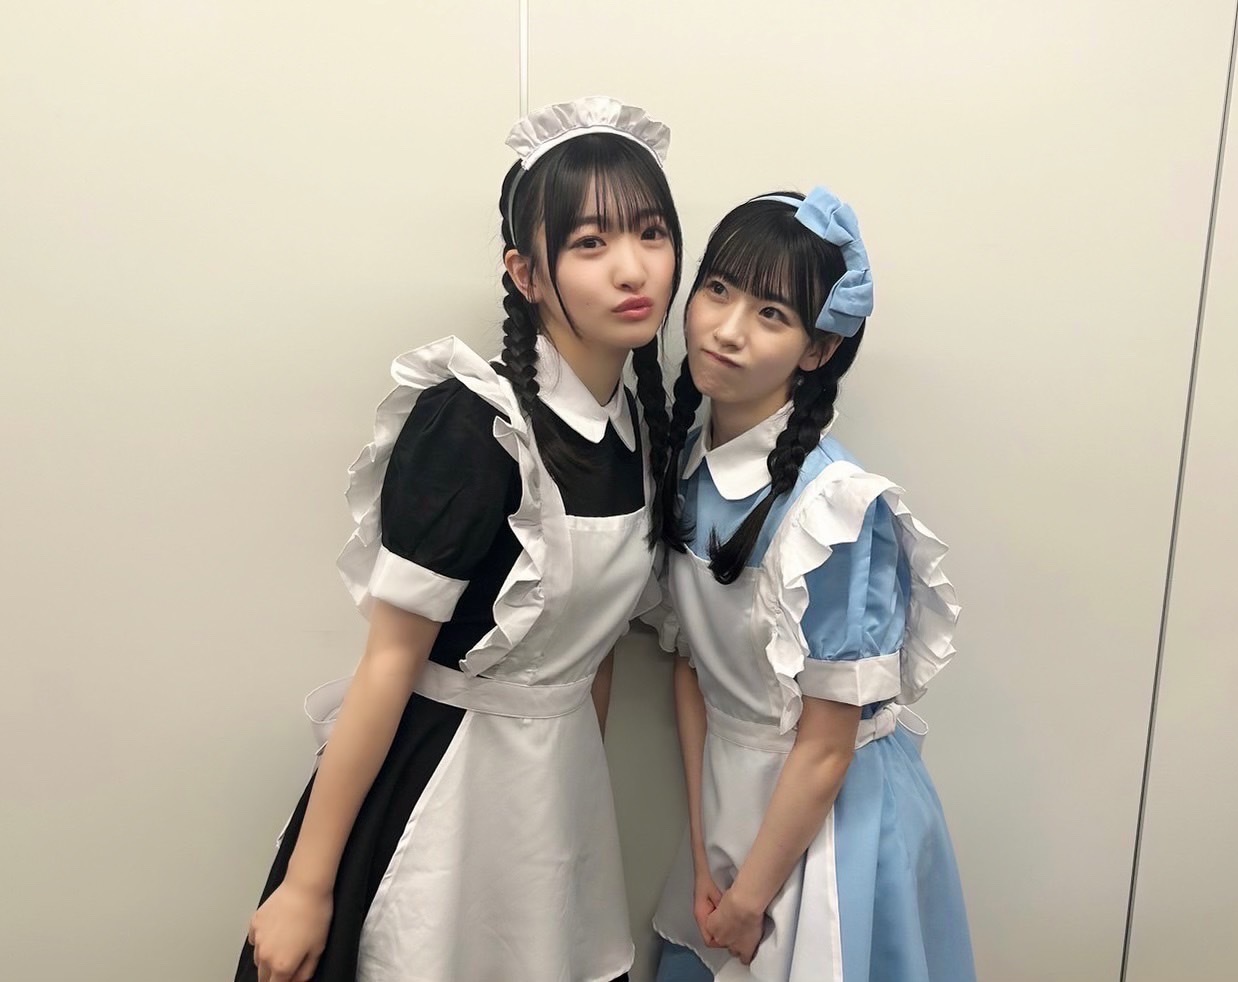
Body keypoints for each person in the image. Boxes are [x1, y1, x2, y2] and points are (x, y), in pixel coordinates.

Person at [237, 95, 683, 982]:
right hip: (438, 790)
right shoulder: (475, 425)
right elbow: (388, 664)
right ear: (526, 273)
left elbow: (592, 663)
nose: (632, 268)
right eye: (590, 243)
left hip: (557, 806)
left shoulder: (637, 432)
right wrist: (307, 887)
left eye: (651, 233)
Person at [650, 188, 974, 981]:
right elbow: (690, 672)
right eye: (717, 289)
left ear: (818, 349)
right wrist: (702, 847)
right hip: (730, 813)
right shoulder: (687, 466)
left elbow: (828, 748)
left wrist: (749, 899)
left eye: (771, 313)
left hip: (832, 824)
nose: (727, 329)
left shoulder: (835, 510)